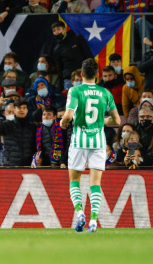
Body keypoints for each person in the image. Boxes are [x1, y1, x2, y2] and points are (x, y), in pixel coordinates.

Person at [60, 58, 121, 233]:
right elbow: (116, 120)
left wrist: (64, 122)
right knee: (95, 183)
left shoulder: (75, 90)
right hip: (98, 142)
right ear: (98, 75)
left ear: (81, 74)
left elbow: (69, 115)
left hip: (79, 141)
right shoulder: (105, 93)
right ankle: (94, 221)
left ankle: (80, 213)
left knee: (74, 180)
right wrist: (102, 120)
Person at [0, 98, 37, 166]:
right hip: (11, 164)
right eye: (19, 107)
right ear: (14, 110)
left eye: (24, 108)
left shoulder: (32, 127)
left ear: (27, 110)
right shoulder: (7, 125)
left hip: (28, 164)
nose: (21, 110)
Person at [51, 21, 93, 90]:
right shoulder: (56, 49)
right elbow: (59, 68)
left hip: (83, 76)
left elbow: (88, 56)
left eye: (58, 29)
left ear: (64, 29)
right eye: (54, 31)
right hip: (68, 79)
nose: (56, 32)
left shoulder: (78, 38)